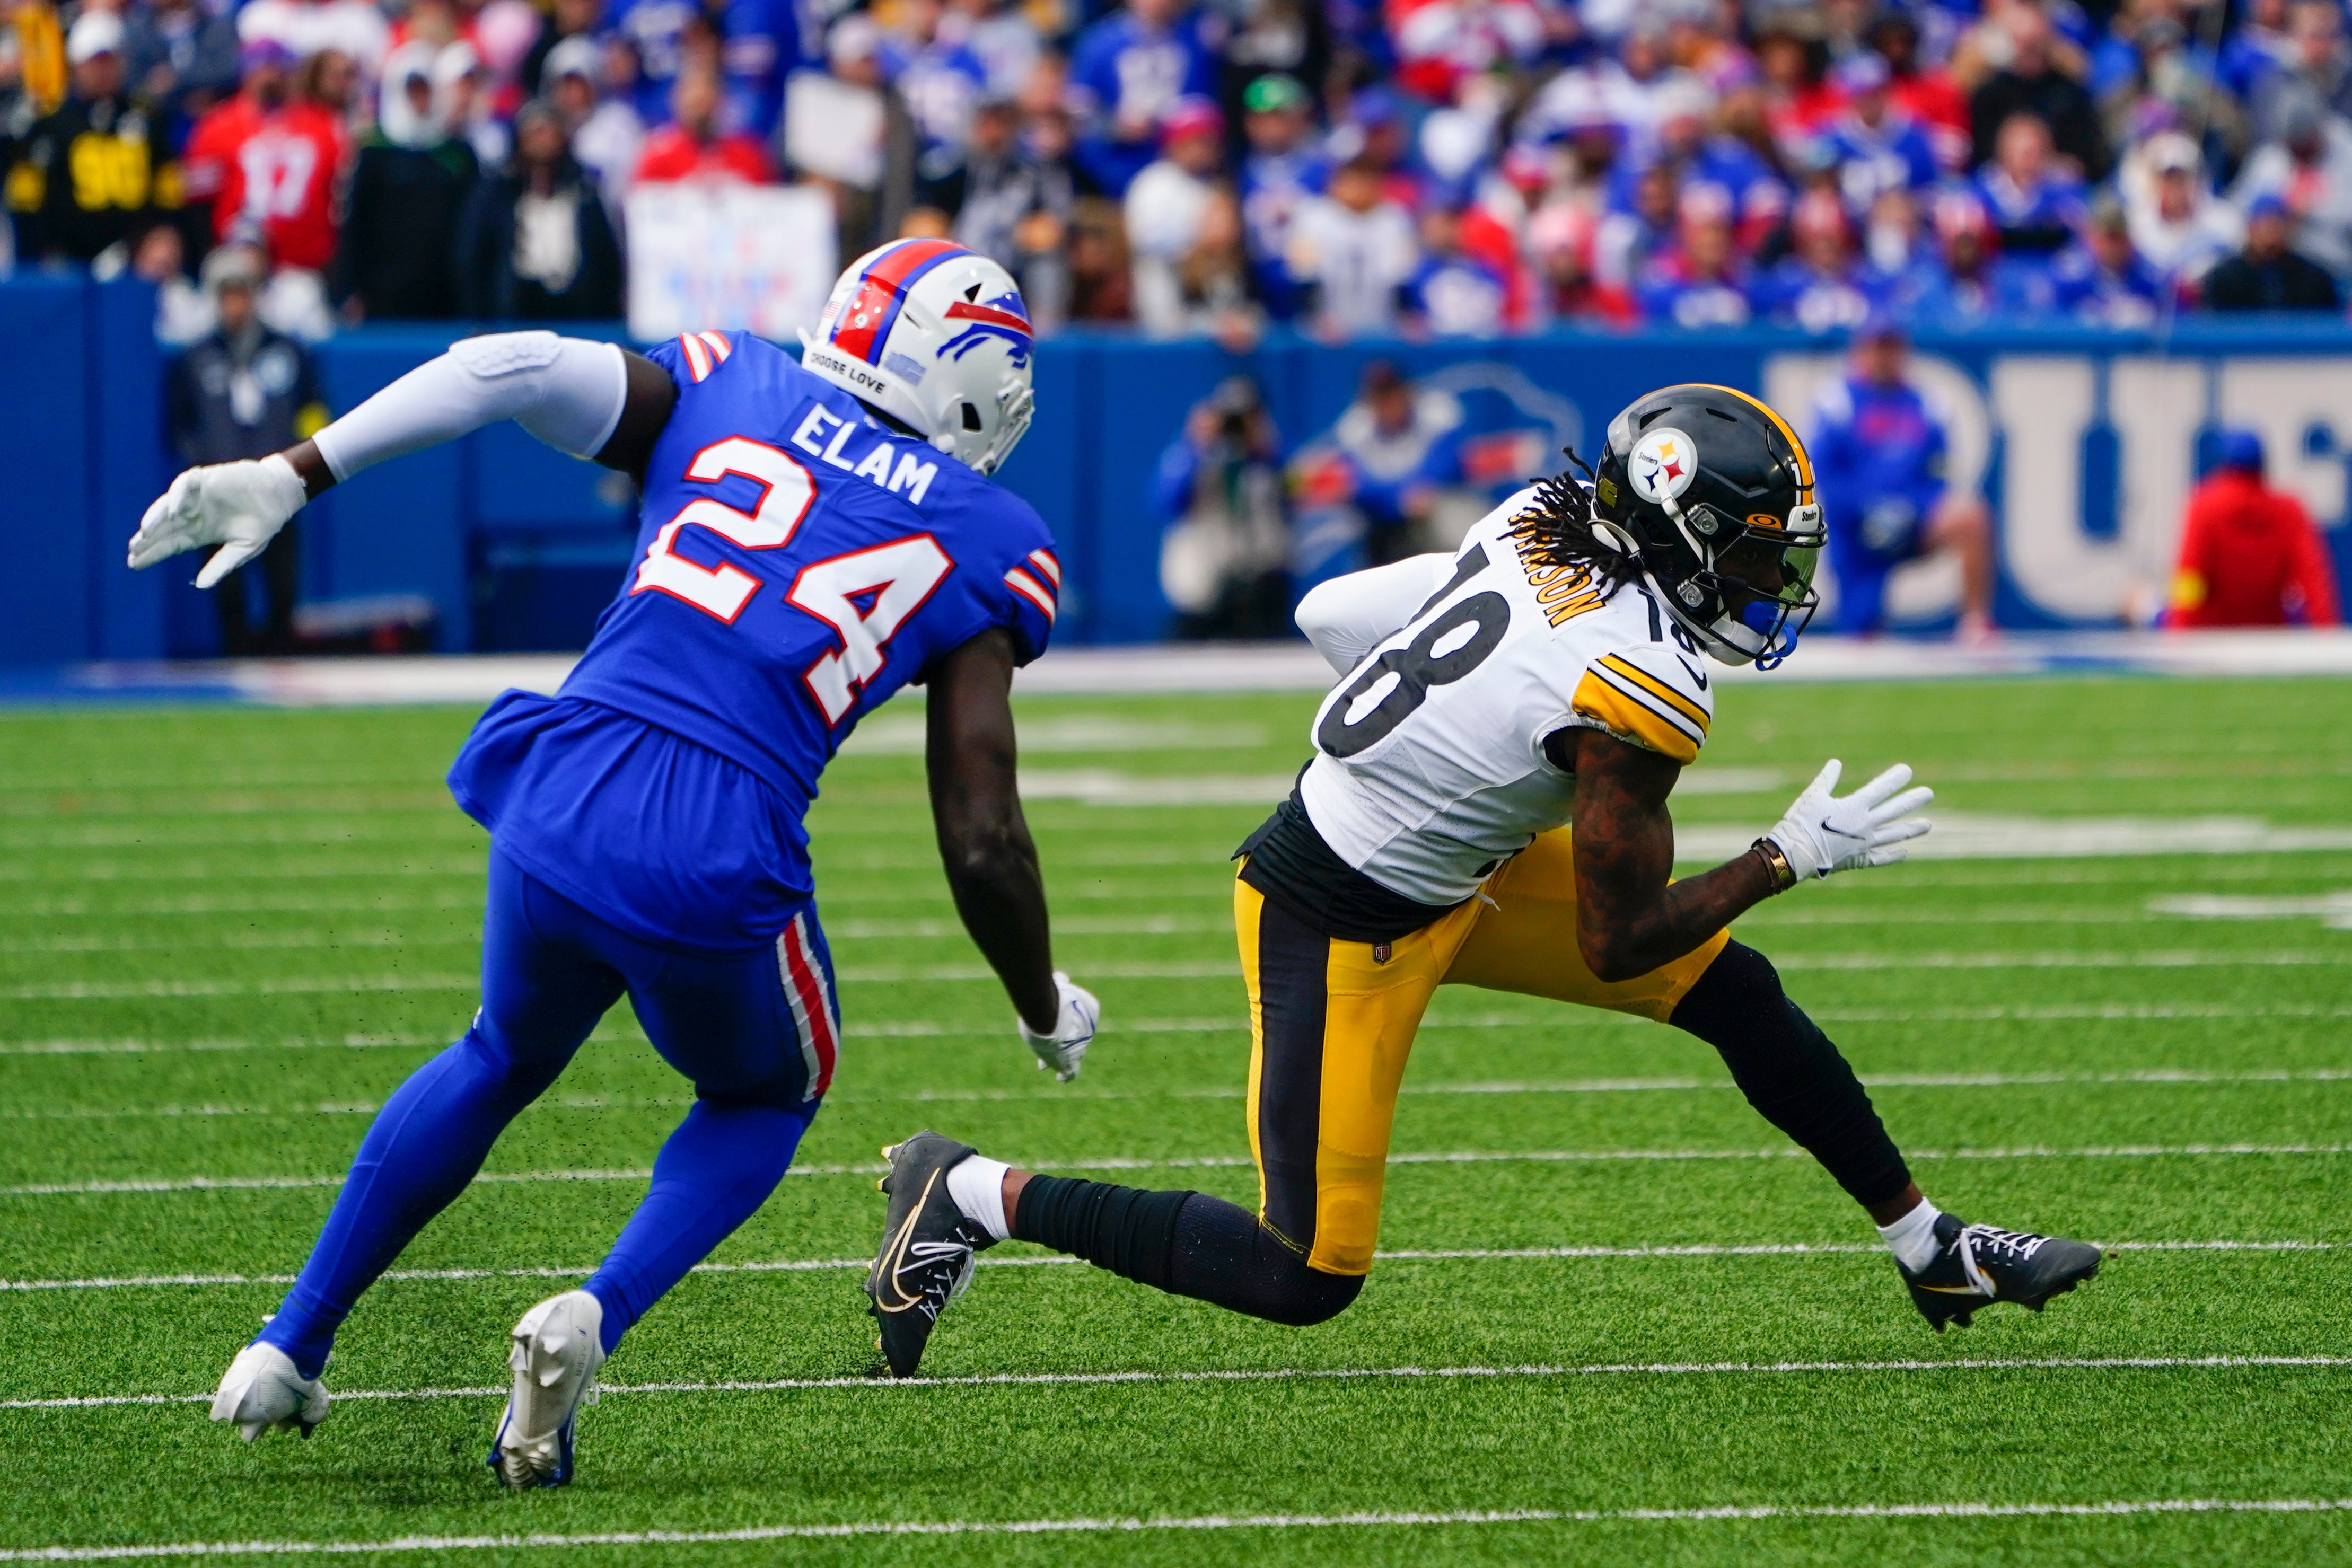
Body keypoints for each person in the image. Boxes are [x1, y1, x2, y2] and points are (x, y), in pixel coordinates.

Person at [864, 383, 2102, 1378]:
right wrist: (1784, 854)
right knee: (1305, 1271)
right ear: (1680, 537)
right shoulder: (1638, 684)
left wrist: (1439, 747)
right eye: (1746, 554)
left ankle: (1929, 1245)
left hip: (1447, 860)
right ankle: (969, 1190)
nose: (1759, 584)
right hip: (1333, 911)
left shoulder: (1537, 516)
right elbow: (1620, 938)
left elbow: (1326, 611)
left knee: (1728, 988)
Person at [130, 239, 1090, 1485]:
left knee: (496, 1053)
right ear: (968, 381)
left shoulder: (727, 378)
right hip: (714, 833)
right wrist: (1037, 999)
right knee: (765, 1093)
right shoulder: (991, 532)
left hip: (561, 779)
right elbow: (978, 825)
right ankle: (595, 1309)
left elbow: (502, 363)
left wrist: (291, 469)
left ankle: (289, 1339)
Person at [165, 245, 327, 654]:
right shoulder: (196, 359)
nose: (234, 304)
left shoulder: (288, 351)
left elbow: (315, 412)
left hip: (277, 481)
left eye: (241, 292)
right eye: (225, 294)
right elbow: (178, 421)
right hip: (220, 486)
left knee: (281, 583)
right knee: (227, 586)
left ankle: (279, 652)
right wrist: (198, 458)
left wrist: (301, 462)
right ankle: (236, 655)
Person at [1807, 318, 1995, 640]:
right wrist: (1867, 510)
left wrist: (1910, 509)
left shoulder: (1927, 403)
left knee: (1970, 515)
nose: (1885, 357)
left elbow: (1939, 473)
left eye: (1892, 348)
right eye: (1879, 348)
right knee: (1860, 632)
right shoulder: (1837, 402)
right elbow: (1825, 476)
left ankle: (1976, 622)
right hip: (1857, 529)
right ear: (1861, 351)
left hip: (1914, 519)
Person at [6, 10, 181, 266]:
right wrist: (37, 254)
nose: (102, 71)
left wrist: (163, 235)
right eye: (94, 62)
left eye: (109, 60)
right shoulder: (52, 125)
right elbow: (25, 198)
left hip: (135, 260)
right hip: (67, 261)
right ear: (77, 65)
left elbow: (169, 191)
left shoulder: (147, 119)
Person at [334, 41, 479, 320]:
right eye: (411, 89)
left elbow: (469, 227)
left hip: (444, 291)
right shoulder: (374, 153)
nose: (419, 98)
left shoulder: (458, 155)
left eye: (425, 88)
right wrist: (350, 289)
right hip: (383, 291)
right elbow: (356, 226)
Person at [457, 99, 623, 320]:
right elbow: (474, 254)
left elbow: (606, 258)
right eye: (536, 132)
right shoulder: (497, 194)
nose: (543, 140)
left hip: (573, 306)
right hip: (515, 306)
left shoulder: (584, 193)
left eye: (550, 131)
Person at [1155, 375, 1290, 637]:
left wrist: (1266, 451)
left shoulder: (1268, 456)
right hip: (1202, 592)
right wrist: (1197, 445)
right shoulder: (1191, 455)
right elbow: (1165, 502)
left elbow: (1296, 495)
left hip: (1258, 588)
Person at [2170, 429, 2342, 626]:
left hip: (2213, 643)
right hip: (2268, 643)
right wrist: (2326, 635)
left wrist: (2179, 637)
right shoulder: (2287, 511)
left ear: (2224, 465)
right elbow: (2314, 581)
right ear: (2263, 466)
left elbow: (2190, 577)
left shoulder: (2203, 507)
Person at [634, 59, 773, 182]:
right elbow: (641, 204)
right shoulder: (657, 157)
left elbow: (769, 203)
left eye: (707, 95)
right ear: (676, 99)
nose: (700, 100)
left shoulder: (749, 156)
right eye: (693, 96)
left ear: (722, 99)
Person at [2204, 192, 2342, 308]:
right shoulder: (2225, 278)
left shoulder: (2314, 280)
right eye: (2265, 221)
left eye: (2278, 220)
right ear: (2250, 227)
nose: (2272, 228)